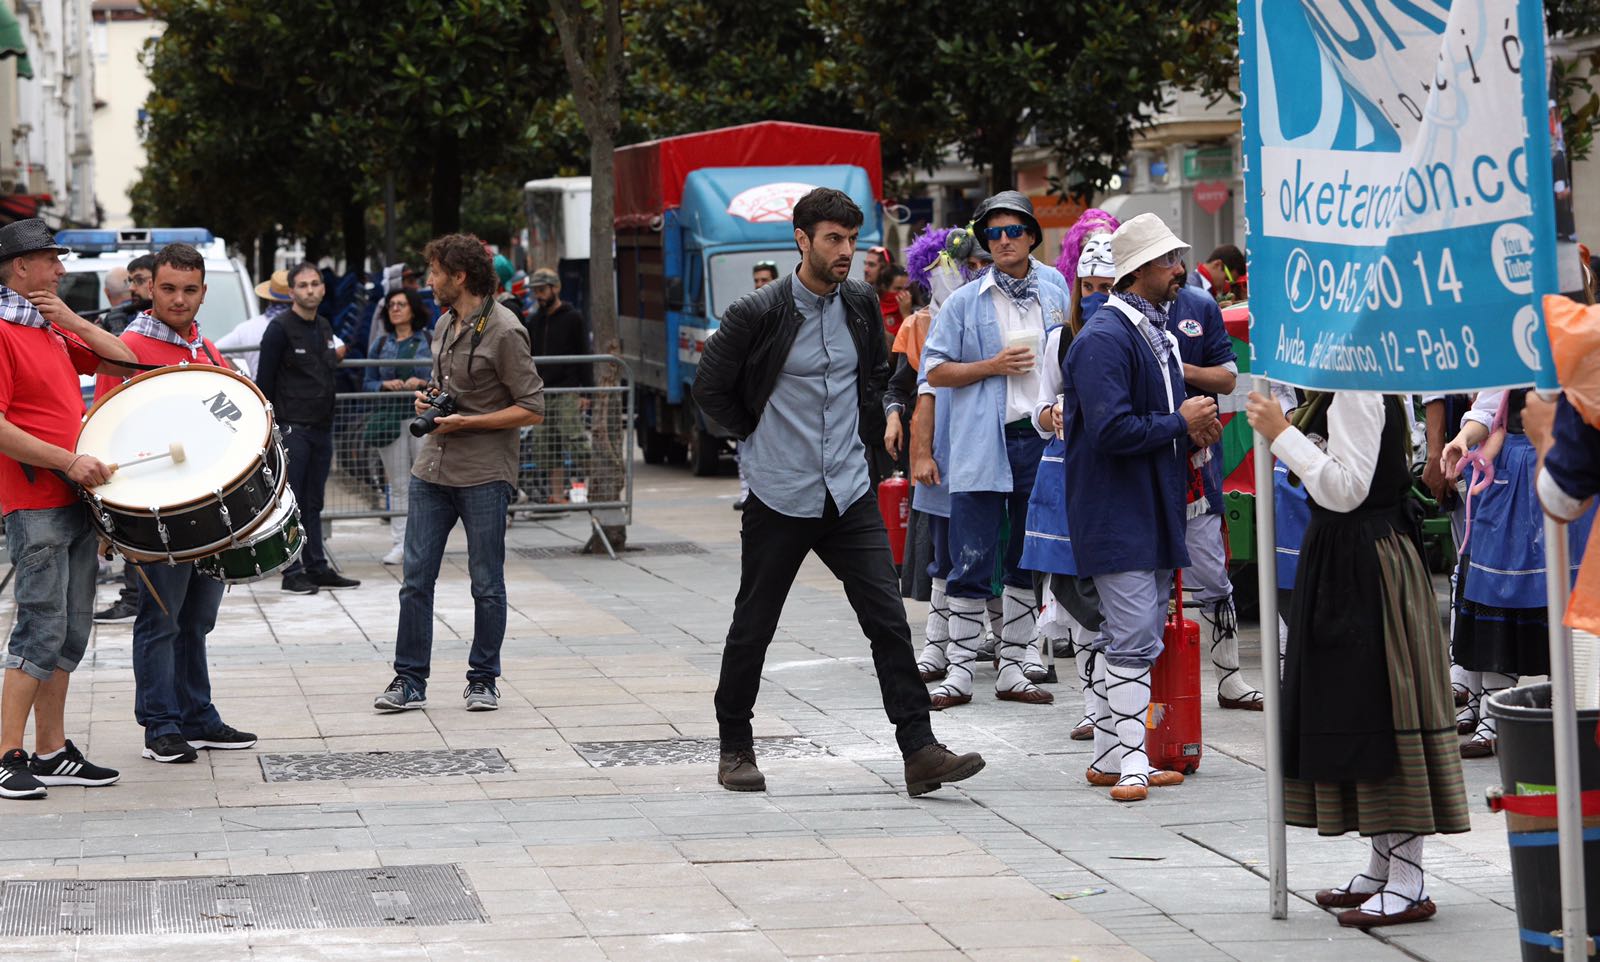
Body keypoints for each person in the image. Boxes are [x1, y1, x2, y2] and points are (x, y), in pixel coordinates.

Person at [693, 187, 984, 796]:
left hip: (848, 489)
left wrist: (873, 442)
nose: (846, 250)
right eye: (833, 239)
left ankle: (920, 750)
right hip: (780, 492)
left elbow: (874, 375)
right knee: (756, 624)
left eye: (852, 239)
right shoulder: (759, 311)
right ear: (802, 241)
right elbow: (710, 388)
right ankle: (734, 747)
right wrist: (753, 435)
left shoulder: (857, 302)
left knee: (887, 621)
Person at [1246, 389, 1469, 929]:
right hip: (1351, 556)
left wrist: (1283, 434)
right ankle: (1382, 865)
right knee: (1358, 710)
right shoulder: (1347, 387)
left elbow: (1347, 489)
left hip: (1369, 562)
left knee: (1384, 710)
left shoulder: (1358, 391)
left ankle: (1409, 878)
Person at [1060, 212, 1218, 802]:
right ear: (1139, 271)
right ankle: (1131, 764)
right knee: (1131, 640)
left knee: (1126, 636)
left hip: (1148, 505)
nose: (1179, 270)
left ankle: (1110, 755)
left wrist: (1189, 431)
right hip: (1117, 508)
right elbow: (1110, 430)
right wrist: (1181, 422)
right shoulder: (1106, 337)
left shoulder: (1147, 330)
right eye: (1168, 261)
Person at [91, 243, 258, 764]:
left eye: (189, 290)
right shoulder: (127, 347)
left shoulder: (206, 349)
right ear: (149, 289)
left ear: (203, 293)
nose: (179, 299)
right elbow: (100, 430)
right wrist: (107, 520)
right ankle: (160, 725)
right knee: (160, 621)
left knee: (196, 620)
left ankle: (198, 716)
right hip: (154, 516)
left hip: (209, 512)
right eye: (168, 289)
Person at [373, 234, 545, 714]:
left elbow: (532, 408)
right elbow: (445, 387)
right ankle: (409, 680)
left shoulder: (506, 330)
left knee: (486, 582)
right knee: (415, 579)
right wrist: (427, 401)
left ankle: (483, 679)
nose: (428, 281)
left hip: (485, 473)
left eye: (433, 272)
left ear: (460, 276)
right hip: (434, 468)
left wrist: (469, 422)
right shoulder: (445, 324)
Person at [0, 218, 138, 799]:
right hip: (36, 501)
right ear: (20, 267)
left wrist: (71, 318)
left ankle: (51, 750)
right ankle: (6, 754)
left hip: (71, 497)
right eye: (51, 260)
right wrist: (66, 459)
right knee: (39, 627)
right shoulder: (4, 331)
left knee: (72, 629)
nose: (60, 269)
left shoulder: (45, 326)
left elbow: (124, 358)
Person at [922, 191, 1072, 710]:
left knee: (1026, 559)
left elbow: (1070, 355)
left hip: (1042, 436)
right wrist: (991, 365)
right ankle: (961, 671)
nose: (1003, 241)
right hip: (984, 440)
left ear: (1032, 234)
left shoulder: (1055, 287)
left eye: (1013, 231)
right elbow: (934, 370)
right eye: (994, 234)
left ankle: (1014, 666)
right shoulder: (966, 300)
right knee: (970, 555)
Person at [1440, 389, 1594, 756]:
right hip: (1512, 471)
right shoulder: (1511, 341)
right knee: (1496, 592)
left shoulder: (1582, 343)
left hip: (1572, 465)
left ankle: (1567, 708)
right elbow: (1489, 409)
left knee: (1567, 601)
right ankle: (1493, 716)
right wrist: (1462, 439)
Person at [1021, 209, 1119, 740]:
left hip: (1118, 481)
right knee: (1074, 595)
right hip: (1065, 477)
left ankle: (1119, 708)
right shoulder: (1059, 339)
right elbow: (1038, 410)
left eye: (1108, 285)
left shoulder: (1142, 334)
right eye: (1090, 285)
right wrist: (1052, 414)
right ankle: (1092, 707)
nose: (1098, 293)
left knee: (1115, 594)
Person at [1169, 265, 1262, 711]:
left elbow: (1227, 378)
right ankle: (1120, 697)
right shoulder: (1116, 308)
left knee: (1211, 572)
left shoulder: (1199, 305)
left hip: (1195, 465)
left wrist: (1177, 367)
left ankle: (1229, 678)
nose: (1175, 267)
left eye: (1175, 257)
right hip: (1136, 463)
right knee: (1137, 581)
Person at [256, 262, 361, 595]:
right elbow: (264, 383)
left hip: (321, 427)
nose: (310, 290)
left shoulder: (325, 326)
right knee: (292, 502)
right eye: (303, 285)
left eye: (315, 284)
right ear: (291, 292)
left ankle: (317, 566)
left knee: (315, 502)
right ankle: (293, 570)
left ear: (323, 288)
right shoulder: (279, 329)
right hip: (292, 429)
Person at [364, 289, 433, 565]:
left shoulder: (428, 339)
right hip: (390, 419)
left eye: (401, 304)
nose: (395, 309)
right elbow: (367, 382)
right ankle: (400, 543)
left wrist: (423, 383)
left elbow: (442, 374)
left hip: (422, 417)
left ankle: (424, 541)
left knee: (424, 481)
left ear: (412, 309)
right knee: (398, 484)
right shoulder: (380, 345)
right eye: (391, 305)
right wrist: (383, 385)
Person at [523, 267, 591, 504]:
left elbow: (585, 353)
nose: (538, 296)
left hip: (567, 389)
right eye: (535, 292)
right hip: (543, 391)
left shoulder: (573, 317)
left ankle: (595, 485)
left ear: (556, 288)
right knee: (546, 445)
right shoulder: (534, 321)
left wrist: (586, 390)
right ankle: (556, 494)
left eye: (542, 290)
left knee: (574, 439)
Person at [733, 262, 781, 510]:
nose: (760, 284)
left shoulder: (786, 311)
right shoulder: (748, 311)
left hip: (778, 395)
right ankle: (747, 492)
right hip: (753, 395)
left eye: (765, 279)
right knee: (745, 446)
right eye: (757, 280)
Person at [214, 269, 294, 378]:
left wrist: (244, 379)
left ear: (270, 298)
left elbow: (214, 352)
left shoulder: (248, 328)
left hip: (260, 392)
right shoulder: (308, 326)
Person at [101, 254, 154, 336]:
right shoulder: (120, 316)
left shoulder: (176, 318)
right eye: (130, 281)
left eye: (139, 280)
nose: (131, 288)